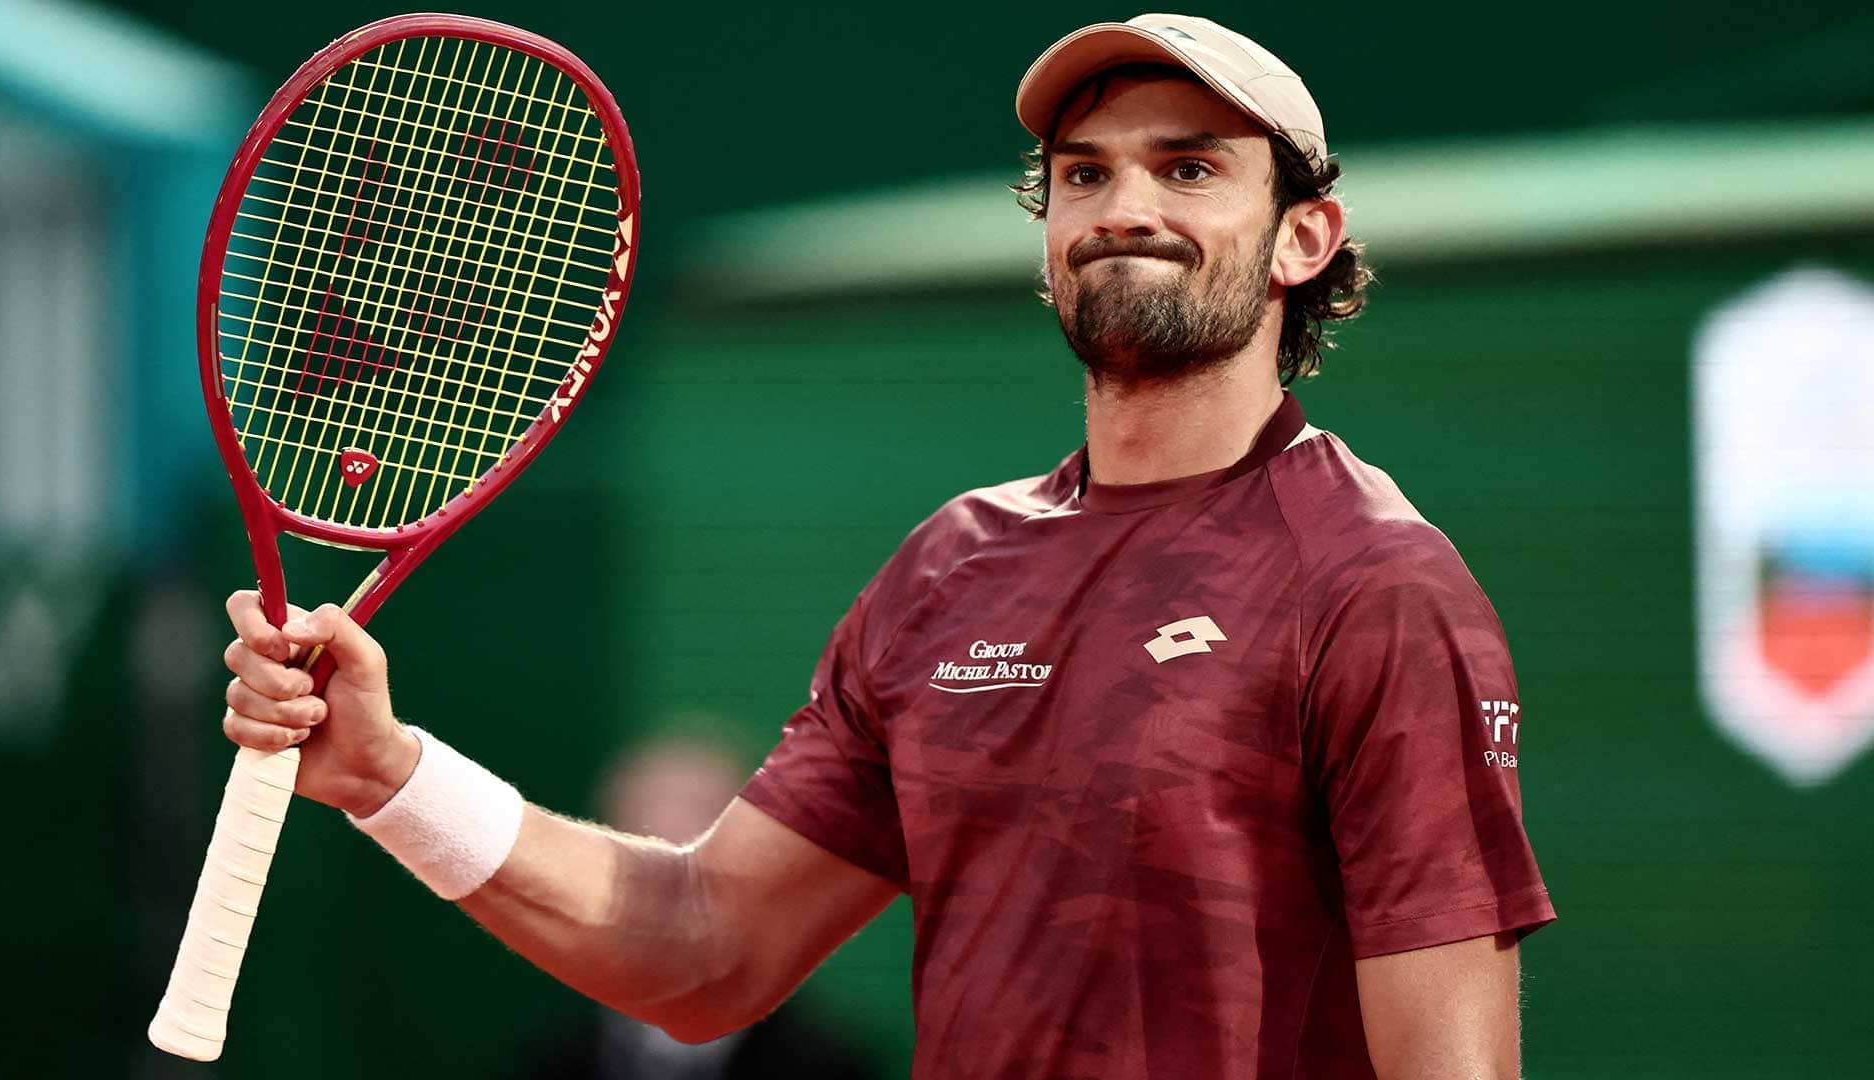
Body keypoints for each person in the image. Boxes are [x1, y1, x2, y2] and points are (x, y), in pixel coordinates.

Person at [216, 14, 1555, 1079]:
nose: (1123, 206)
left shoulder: (1376, 585)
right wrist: (388, 773)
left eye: (1189, 168)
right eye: (1084, 174)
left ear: (1303, 240)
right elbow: (703, 949)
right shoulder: (952, 567)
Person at [517, 735, 874, 1080]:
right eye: (639, 843)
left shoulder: (831, 1066)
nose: (670, 832)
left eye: (701, 819)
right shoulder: (550, 1063)